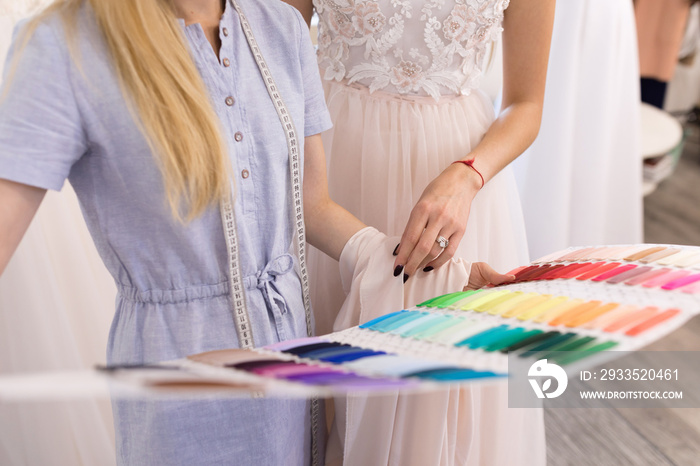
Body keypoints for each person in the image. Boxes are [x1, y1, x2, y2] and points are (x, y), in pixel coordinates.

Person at [0, 0, 512, 464]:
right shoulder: (63, 46)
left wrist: (427, 275)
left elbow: (310, 206)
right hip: (181, 371)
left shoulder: (279, 26)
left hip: (290, 353)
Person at [285, 0, 554, 464]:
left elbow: (526, 104)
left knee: (442, 392)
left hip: (463, 174)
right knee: (321, 371)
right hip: (330, 160)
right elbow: (276, 49)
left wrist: (470, 173)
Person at [513, 0, 643, 262]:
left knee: (594, 133)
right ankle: (531, 243)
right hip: (562, 13)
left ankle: (584, 256)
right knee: (548, 117)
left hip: (597, 14)